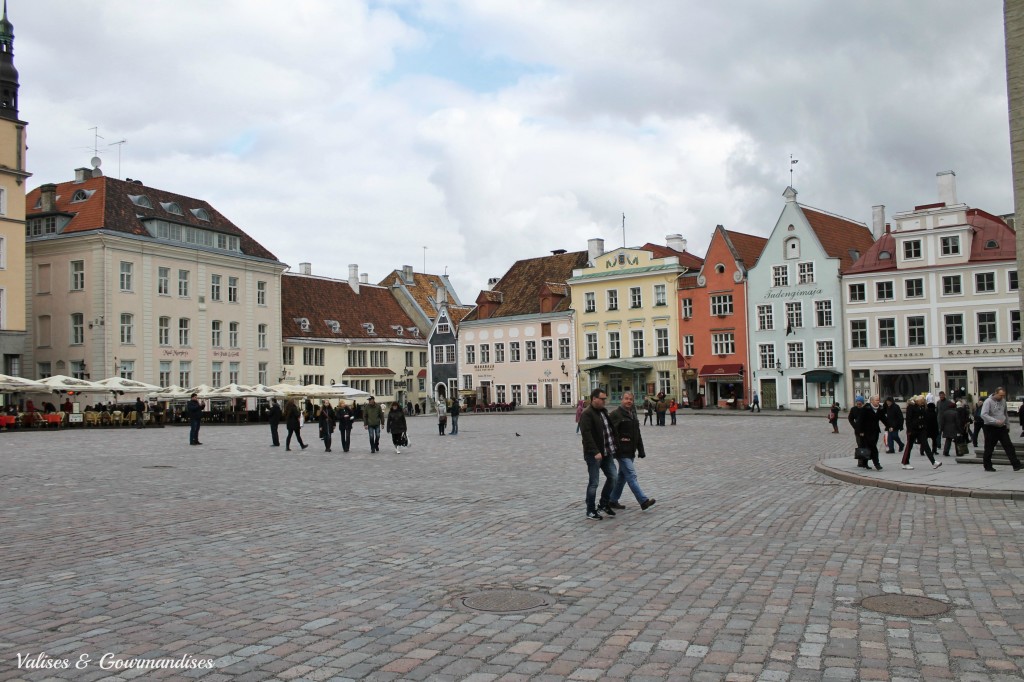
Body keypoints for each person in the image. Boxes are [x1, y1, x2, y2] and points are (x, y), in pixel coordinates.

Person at [608, 391, 655, 511]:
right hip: (621, 451)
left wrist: (641, 449)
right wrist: (616, 444)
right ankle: (643, 501)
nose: (629, 401)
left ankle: (612, 500)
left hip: (631, 451)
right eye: (626, 399)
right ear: (621, 399)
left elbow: (637, 433)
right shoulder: (616, 414)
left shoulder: (632, 413)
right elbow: (609, 432)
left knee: (622, 477)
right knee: (631, 475)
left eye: (631, 399)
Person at [579, 388, 619, 520]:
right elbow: (587, 435)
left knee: (613, 477)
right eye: (602, 399)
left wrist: (615, 446)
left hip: (607, 452)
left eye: (605, 399)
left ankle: (603, 504)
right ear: (594, 399)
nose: (604, 401)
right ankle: (590, 510)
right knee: (594, 482)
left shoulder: (603, 412)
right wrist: (595, 451)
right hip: (594, 454)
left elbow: (610, 431)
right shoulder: (587, 414)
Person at [980, 387, 1024, 472]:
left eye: (1003, 395)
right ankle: (987, 465)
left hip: (1001, 427)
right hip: (990, 427)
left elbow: (1005, 413)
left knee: (1009, 446)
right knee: (989, 447)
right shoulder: (988, 401)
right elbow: (983, 415)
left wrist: (1007, 424)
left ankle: (1016, 464)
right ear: (996, 393)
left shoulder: (1003, 401)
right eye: (1000, 395)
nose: (1002, 397)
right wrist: (995, 421)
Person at [902, 396, 938, 470]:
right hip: (913, 430)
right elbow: (908, 420)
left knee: (926, 445)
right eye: (922, 400)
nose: (923, 401)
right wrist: (909, 430)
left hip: (921, 429)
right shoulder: (911, 407)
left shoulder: (922, 407)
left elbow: (925, 418)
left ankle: (933, 462)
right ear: (917, 401)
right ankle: (905, 462)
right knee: (909, 446)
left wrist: (924, 427)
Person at [854, 395, 888, 471]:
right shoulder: (866, 408)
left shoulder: (880, 409)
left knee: (869, 447)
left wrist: (889, 426)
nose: (878, 401)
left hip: (875, 431)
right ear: (872, 401)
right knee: (873, 447)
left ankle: (865, 463)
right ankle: (877, 464)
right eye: (876, 400)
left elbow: (883, 418)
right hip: (866, 432)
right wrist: (860, 431)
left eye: (878, 400)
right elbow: (860, 421)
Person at [848, 396, 867, 468]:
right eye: (858, 403)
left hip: (865, 430)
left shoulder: (865, 409)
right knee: (860, 445)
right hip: (858, 430)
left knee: (865, 445)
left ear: (862, 403)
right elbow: (850, 418)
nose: (859, 405)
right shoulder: (853, 409)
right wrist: (855, 426)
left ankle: (865, 461)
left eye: (860, 404)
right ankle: (860, 462)